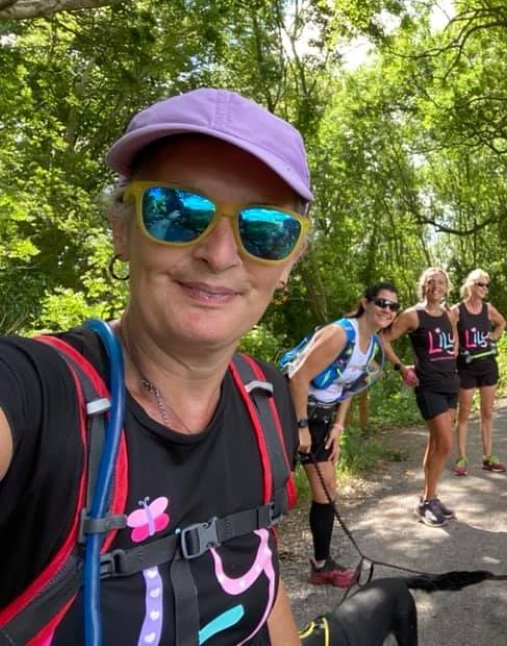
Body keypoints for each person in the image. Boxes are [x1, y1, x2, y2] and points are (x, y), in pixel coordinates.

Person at [0, 88, 311, 643]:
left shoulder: (266, 402)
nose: (219, 254)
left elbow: (261, 569)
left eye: (264, 229)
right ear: (123, 229)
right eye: (175, 212)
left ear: (287, 263)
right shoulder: (38, 397)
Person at [283, 282, 400, 587]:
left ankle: (320, 565)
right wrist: (301, 427)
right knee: (275, 489)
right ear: (365, 302)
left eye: (393, 306)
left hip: (322, 419)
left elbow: (350, 387)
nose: (387, 310)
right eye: (382, 303)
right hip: (291, 412)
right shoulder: (340, 334)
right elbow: (296, 377)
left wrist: (338, 425)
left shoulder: (372, 345)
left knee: (327, 490)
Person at [383, 267, 459, 527]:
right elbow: (383, 338)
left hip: (450, 384)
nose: (436, 286)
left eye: (441, 282)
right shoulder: (413, 315)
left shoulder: (449, 314)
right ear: (424, 286)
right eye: (431, 282)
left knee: (437, 443)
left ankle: (430, 498)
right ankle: (427, 501)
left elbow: (454, 340)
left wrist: (452, 358)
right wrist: (402, 369)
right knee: (446, 444)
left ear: (447, 287)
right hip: (429, 387)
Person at [451, 269, 507, 475]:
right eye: (480, 284)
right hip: (466, 367)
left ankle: (488, 457)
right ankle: (461, 458)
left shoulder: (488, 308)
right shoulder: (457, 310)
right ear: (471, 285)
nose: (484, 289)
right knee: (464, 414)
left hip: (487, 365)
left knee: (487, 412)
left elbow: (502, 323)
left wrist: (493, 336)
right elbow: (450, 335)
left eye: (486, 285)